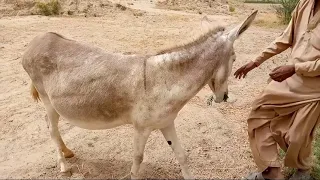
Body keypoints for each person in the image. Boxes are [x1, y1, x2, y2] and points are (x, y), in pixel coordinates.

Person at [234, 0, 320, 179]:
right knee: (259, 112)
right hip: (291, 77)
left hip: (315, 87)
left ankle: (302, 172)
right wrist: (255, 62)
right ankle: (270, 171)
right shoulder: (304, 4)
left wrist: (295, 68)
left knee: (297, 137)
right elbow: (284, 38)